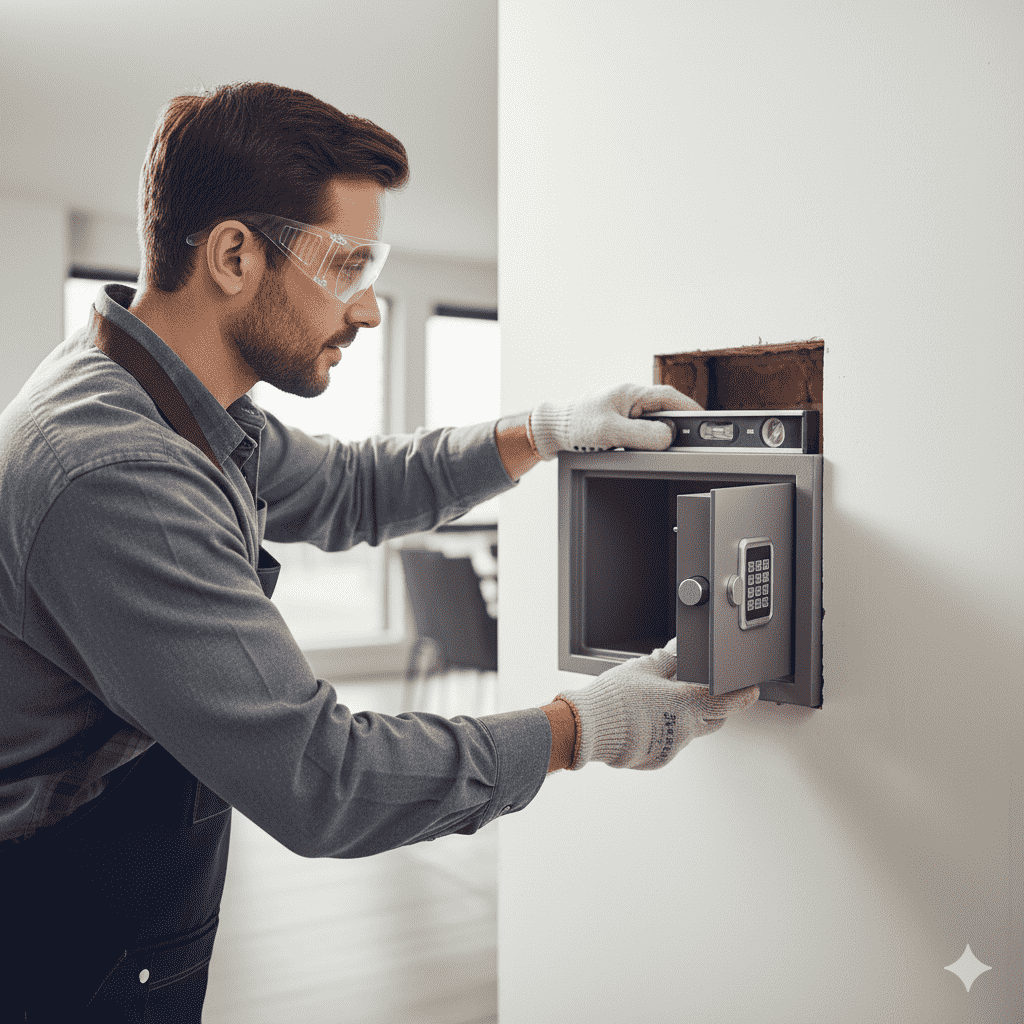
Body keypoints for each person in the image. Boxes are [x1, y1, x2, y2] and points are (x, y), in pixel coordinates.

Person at [0, 81, 759, 1022]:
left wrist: (546, 430)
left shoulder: (162, 397)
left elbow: (350, 486)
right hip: (57, 945)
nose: (367, 310)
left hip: (123, 914)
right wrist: (587, 727)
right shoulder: (119, 472)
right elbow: (325, 780)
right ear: (234, 255)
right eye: (346, 265)